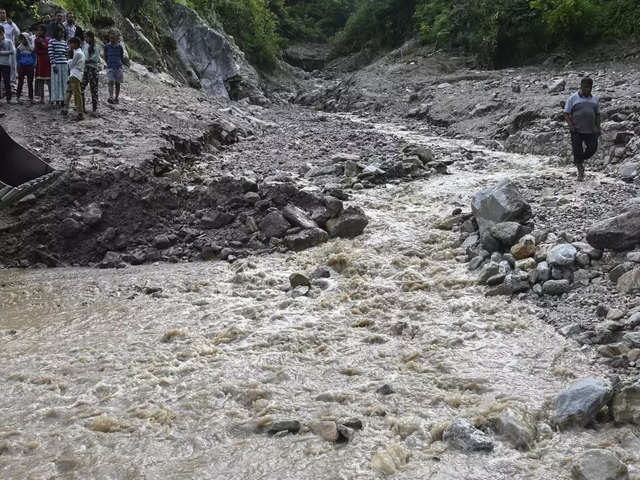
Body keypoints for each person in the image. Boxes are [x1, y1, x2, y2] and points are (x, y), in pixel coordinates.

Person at [564, 77, 601, 182]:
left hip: (591, 130)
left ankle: (579, 160)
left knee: (592, 149)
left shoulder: (594, 99)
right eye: (585, 87)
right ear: (581, 86)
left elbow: (598, 114)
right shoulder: (573, 98)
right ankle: (580, 171)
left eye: (589, 87)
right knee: (577, 150)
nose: (587, 89)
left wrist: (598, 127)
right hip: (577, 130)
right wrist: (571, 126)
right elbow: (566, 113)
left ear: (591, 88)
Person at [63, 36, 84, 120]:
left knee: (76, 94)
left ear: (75, 44)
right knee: (69, 91)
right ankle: (66, 108)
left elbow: (71, 65)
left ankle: (80, 112)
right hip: (75, 75)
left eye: (71, 44)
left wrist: (68, 60)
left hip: (75, 74)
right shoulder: (78, 52)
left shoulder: (78, 53)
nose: (70, 46)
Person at [48, 25, 68, 106]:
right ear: (56, 32)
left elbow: (66, 53)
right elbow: (51, 53)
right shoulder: (51, 41)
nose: (62, 33)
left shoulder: (64, 42)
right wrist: (53, 65)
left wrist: (67, 62)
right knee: (56, 82)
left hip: (64, 64)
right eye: (60, 32)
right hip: (56, 64)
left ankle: (63, 99)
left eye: (63, 32)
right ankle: (56, 99)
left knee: (64, 82)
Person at [81, 31, 99, 114]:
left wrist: (84, 61)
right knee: (81, 87)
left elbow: (94, 59)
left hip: (92, 70)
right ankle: (82, 107)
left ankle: (94, 109)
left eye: (86, 37)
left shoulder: (96, 47)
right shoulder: (85, 45)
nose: (85, 39)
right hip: (85, 69)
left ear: (91, 37)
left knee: (94, 89)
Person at [0, 9, 19, 88]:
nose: (2, 14)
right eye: (0, 13)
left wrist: (12, 24)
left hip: (10, 49)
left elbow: (18, 33)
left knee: (12, 67)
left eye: (3, 13)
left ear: (6, 14)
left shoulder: (11, 24)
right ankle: (3, 86)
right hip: (1, 48)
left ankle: (13, 85)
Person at [104, 29, 124, 104]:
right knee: (110, 81)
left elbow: (121, 57)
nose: (112, 39)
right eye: (110, 38)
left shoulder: (120, 47)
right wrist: (108, 63)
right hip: (110, 66)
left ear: (116, 38)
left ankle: (116, 98)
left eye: (113, 38)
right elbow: (105, 56)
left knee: (118, 83)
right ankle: (111, 96)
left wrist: (119, 63)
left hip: (118, 67)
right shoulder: (107, 46)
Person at [15, 33, 35, 103]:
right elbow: (17, 58)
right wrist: (18, 65)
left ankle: (31, 98)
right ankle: (18, 97)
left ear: (27, 38)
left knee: (30, 82)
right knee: (20, 82)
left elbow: (34, 57)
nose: (23, 40)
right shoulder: (19, 48)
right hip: (22, 67)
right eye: (22, 39)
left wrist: (34, 64)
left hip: (30, 66)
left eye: (24, 38)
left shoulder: (31, 48)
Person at [34, 24, 50, 103]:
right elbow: (37, 51)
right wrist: (45, 50)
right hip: (40, 61)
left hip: (48, 61)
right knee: (40, 80)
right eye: (38, 30)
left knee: (49, 80)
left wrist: (43, 45)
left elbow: (49, 49)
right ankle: (42, 98)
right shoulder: (36, 40)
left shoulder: (48, 39)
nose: (39, 32)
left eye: (41, 30)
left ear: (44, 31)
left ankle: (51, 98)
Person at [0, 26, 15, 103]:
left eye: (0, 32)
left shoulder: (8, 41)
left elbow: (12, 51)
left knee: (7, 81)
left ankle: (8, 98)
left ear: (3, 32)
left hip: (6, 64)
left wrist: (2, 53)